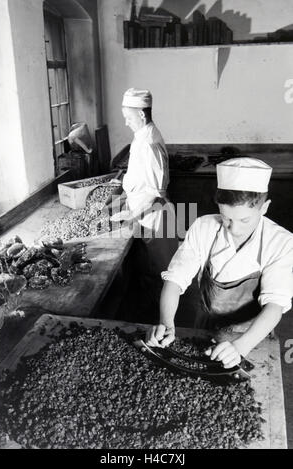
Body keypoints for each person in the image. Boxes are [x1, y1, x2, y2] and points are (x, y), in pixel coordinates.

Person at [146, 157, 293, 368]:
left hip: (252, 334)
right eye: (226, 218)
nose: (234, 229)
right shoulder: (204, 227)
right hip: (206, 326)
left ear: (264, 208)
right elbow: (175, 280)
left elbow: (275, 305)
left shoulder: (281, 242)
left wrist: (241, 347)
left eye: (244, 220)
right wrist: (166, 321)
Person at [111, 88, 178, 323]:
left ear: (141, 114)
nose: (125, 121)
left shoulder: (149, 142)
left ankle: (160, 321)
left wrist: (130, 215)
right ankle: (152, 314)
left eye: (128, 116)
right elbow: (142, 179)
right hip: (144, 214)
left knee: (157, 270)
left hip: (153, 216)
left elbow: (154, 191)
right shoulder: (142, 135)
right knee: (148, 268)